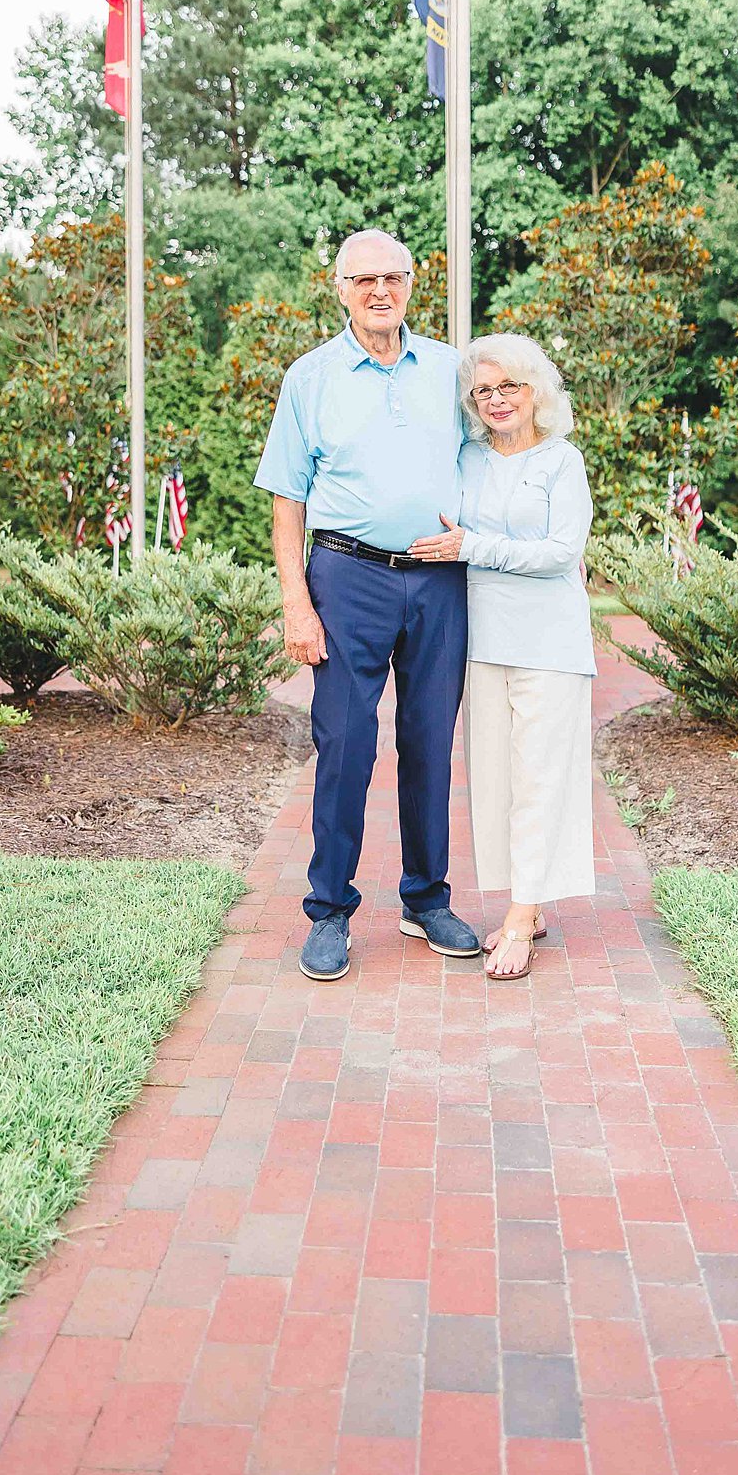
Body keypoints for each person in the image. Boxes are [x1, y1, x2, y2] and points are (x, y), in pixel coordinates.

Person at [254, 229, 481, 981]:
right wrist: (296, 602)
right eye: (364, 280)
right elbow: (287, 497)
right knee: (345, 745)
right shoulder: (310, 378)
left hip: (440, 577)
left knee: (428, 743)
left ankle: (426, 899)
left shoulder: (453, 370)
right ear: (339, 289)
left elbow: (496, 457)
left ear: (413, 284)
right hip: (346, 578)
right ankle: (328, 911)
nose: (380, 291)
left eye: (394, 278)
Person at [410, 333, 595, 980]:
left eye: (508, 386)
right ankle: (529, 898)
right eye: (482, 390)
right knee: (495, 781)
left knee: (540, 780)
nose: (496, 399)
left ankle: (520, 918)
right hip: (481, 640)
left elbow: (558, 553)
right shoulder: (466, 459)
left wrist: (471, 547)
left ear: (534, 391)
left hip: (549, 643)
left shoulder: (560, 461)